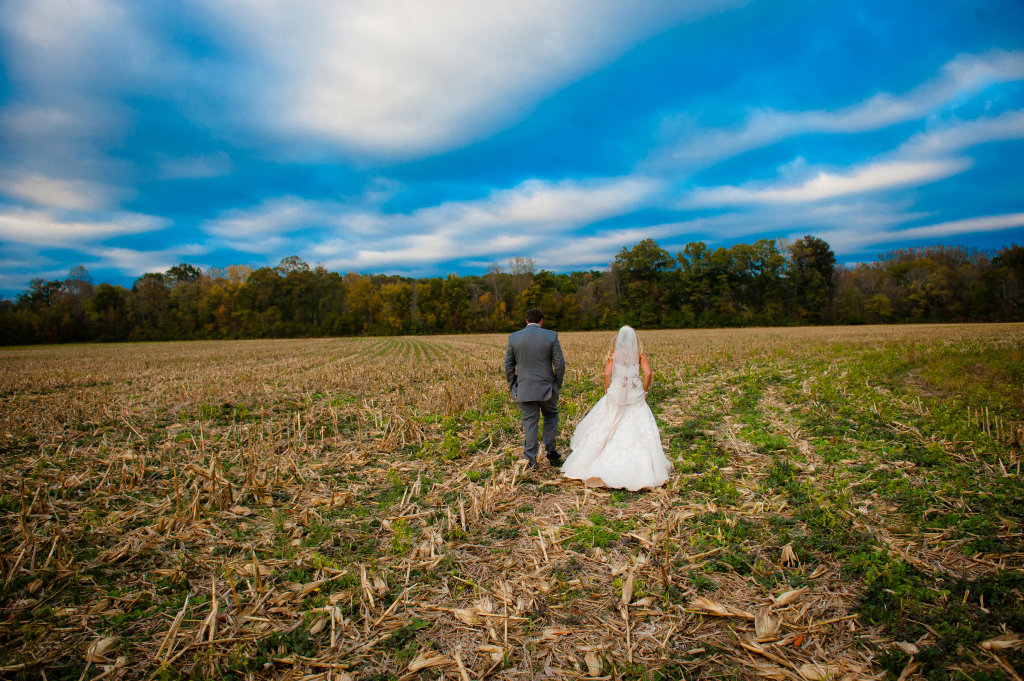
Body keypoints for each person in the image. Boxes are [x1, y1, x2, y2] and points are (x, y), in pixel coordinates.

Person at [561, 326, 671, 490]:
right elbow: (648, 373)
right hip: (634, 392)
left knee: (609, 420)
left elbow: (607, 374)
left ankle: (596, 458)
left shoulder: (615, 355)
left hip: (617, 391)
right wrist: (645, 389)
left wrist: (607, 390)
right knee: (638, 422)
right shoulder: (640, 355)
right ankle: (640, 469)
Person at [504, 308, 565, 469]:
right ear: (541, 321)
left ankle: (530, 461)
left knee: (530, 423)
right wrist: (556, 384)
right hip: (547, 388)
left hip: (524, 388)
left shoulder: (514, 338)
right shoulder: (551, 336)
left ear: (526, 321)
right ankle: (551, 451)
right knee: (550, 416)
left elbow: (508, 366)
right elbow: (559, 365)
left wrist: (514, 385)